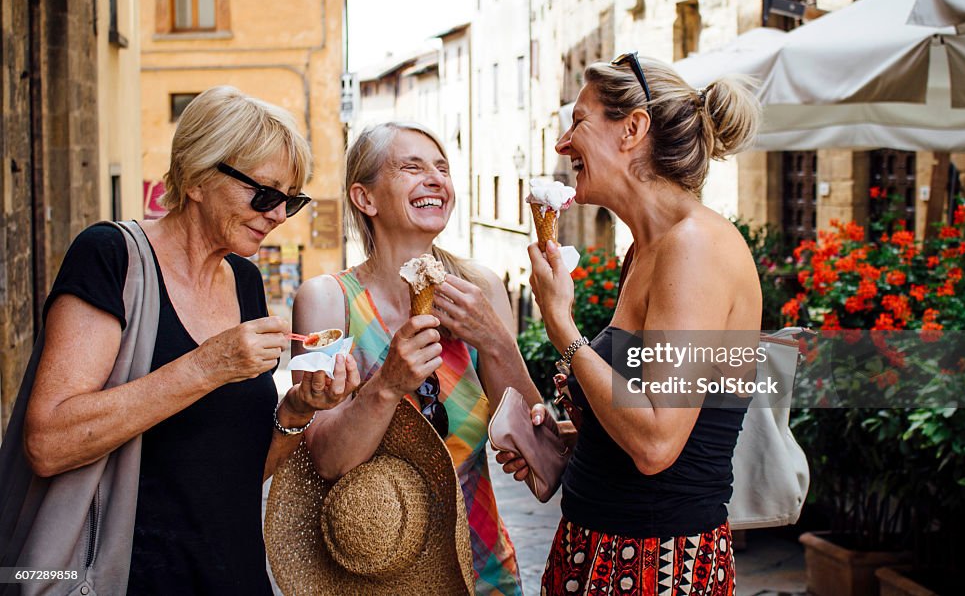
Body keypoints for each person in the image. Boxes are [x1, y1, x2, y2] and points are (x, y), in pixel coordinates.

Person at [22, 86, 360, 594]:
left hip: (233, 575)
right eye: (264, 194)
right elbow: (48, 443)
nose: (278, 215)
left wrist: (296, 410)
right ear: (200, 177)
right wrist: (207, 366)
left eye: (291, 200)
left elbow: (237, 473)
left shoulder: (245, 280)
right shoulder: (110, 257)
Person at [498, 53, 762, 595]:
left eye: (578, 121)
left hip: (656, 566)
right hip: (601, 551)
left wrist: (562, 328)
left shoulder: (696, 247)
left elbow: (657, 443)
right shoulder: (646, 250)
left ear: (633, 129)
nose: (562, 144)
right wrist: (571, 443)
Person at [292, 121, 542, 595]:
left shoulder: (480, 289)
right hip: (370, 579)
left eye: (442, 168)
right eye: (412, 167)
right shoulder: (327, 302)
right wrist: (386, 384)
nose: (436, 179)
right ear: (365, 199)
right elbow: (321, 460)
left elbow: (536, 447)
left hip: (483, 571)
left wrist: (495, 341)